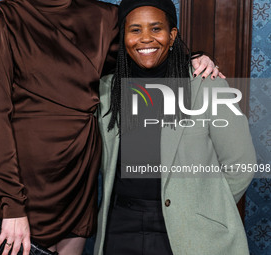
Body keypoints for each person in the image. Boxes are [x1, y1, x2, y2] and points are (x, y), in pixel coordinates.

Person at [0, 0, 222, 254]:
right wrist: (12, 204)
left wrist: (192, 58)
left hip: (76, 177)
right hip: (16, 183)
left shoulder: (105, 17)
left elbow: (143, 51)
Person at [94, 0, 256, 254]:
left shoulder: (206, 86)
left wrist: (203, 209)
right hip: (120, 224)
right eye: (135, 30)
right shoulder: (106, 91)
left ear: (172, 36)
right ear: (123, 38)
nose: (145, 38)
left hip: (187, 228)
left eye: (156, 29)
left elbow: (241, 164)